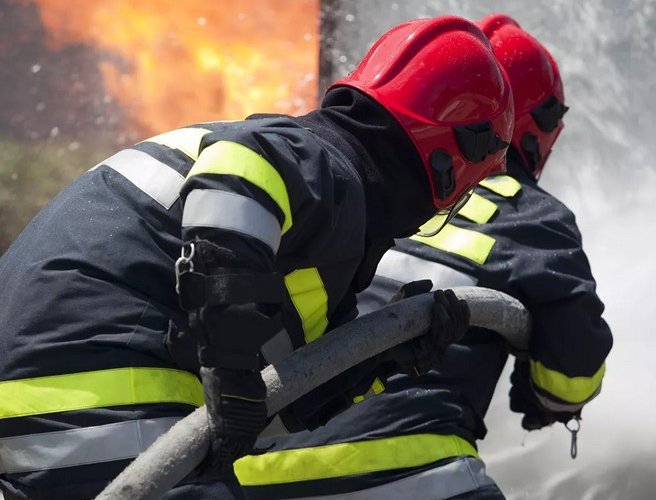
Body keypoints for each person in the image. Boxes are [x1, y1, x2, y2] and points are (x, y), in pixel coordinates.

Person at [0, 16, 514, 500]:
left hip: (42, 404)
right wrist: (229, 369)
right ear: (450, 162)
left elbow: (264, 412)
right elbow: (240, 168)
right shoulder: (320, 163)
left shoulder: (304, 227)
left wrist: (384, 360)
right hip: (93, 390)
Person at [237, 14, 613, 500]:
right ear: (532, 125)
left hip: (244, 472)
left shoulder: (351, 188)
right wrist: (544, 392)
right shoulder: (530, 217)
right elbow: (571, 378)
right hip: (406, 471)